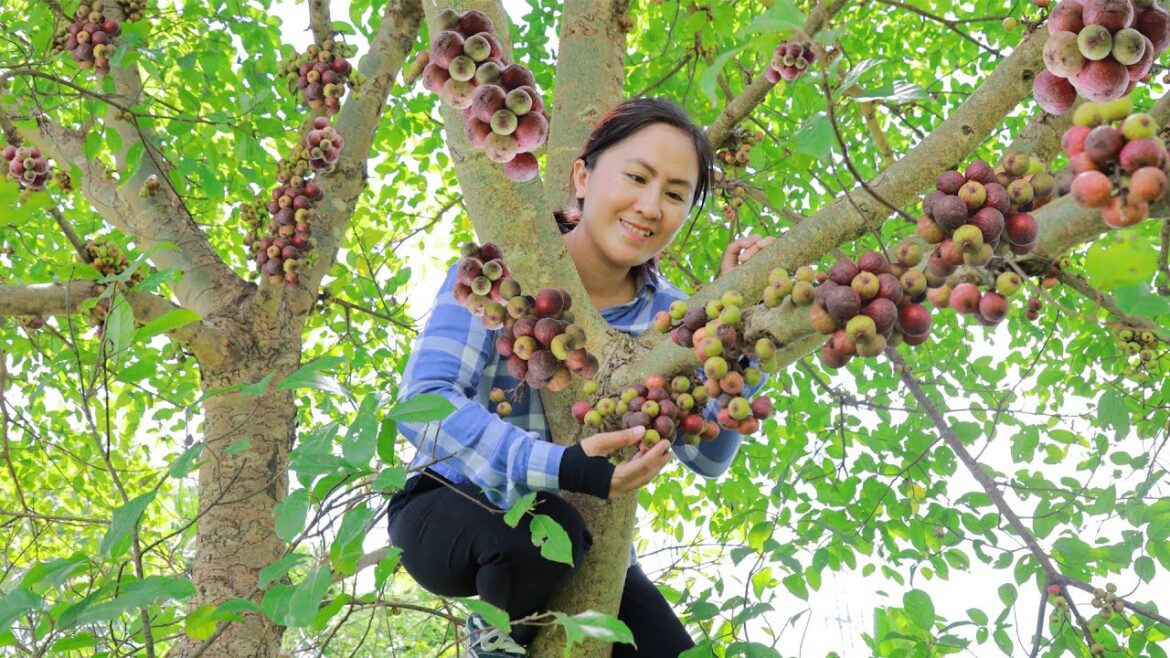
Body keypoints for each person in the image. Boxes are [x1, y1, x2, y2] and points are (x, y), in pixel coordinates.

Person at [386, 97, 774, 657]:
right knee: (541, 538)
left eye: (674, 194)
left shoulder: (674, 318)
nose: (649, 206)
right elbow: (423, 403)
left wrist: (735, 331)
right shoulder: (498, 274)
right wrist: (566, 468)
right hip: (454, 504)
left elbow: (708, 458)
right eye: (637, 177)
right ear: (583, 176)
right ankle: (493, 644)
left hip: (593, 547)